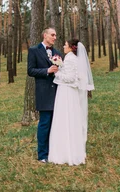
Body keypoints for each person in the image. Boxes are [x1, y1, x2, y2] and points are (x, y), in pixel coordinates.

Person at [48, 39, 94, 166]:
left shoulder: (70, 59)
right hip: (69, 92)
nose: (63, 46)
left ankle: (64, 153)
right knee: (70, 119)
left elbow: (70, 78)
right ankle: (71, 150)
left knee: (65, 119)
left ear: (70, 48)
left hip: (66, 93)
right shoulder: (72, 58)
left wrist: (57, 73)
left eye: (65, 45)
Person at [27, 27, 60, 163]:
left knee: (55, 123)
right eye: (52, 35)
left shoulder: (57, 53)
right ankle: (42, 155)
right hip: (43, 92)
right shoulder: (34, 50)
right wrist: (47, 70)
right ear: (45, 35)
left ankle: (53, 151)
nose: (55, 37)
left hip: (58, 92)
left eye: (56, 35)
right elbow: (31, 71)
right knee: (45, 123)